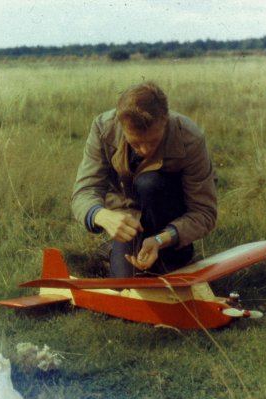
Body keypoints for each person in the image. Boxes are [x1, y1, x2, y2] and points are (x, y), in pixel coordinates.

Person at [71, 81, 217, 277]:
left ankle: (174, 255)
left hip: (168, 223)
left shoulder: (190, 138)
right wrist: (103, 216)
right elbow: (84, 191)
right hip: (127, 220)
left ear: (165, 119)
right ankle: (117, 248)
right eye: (135, 143)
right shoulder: (103, 128)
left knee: (150, 184)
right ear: (121, 126)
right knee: (126, 289)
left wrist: (163, 239)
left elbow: (204, 212)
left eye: (153, 141)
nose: (146, 150)